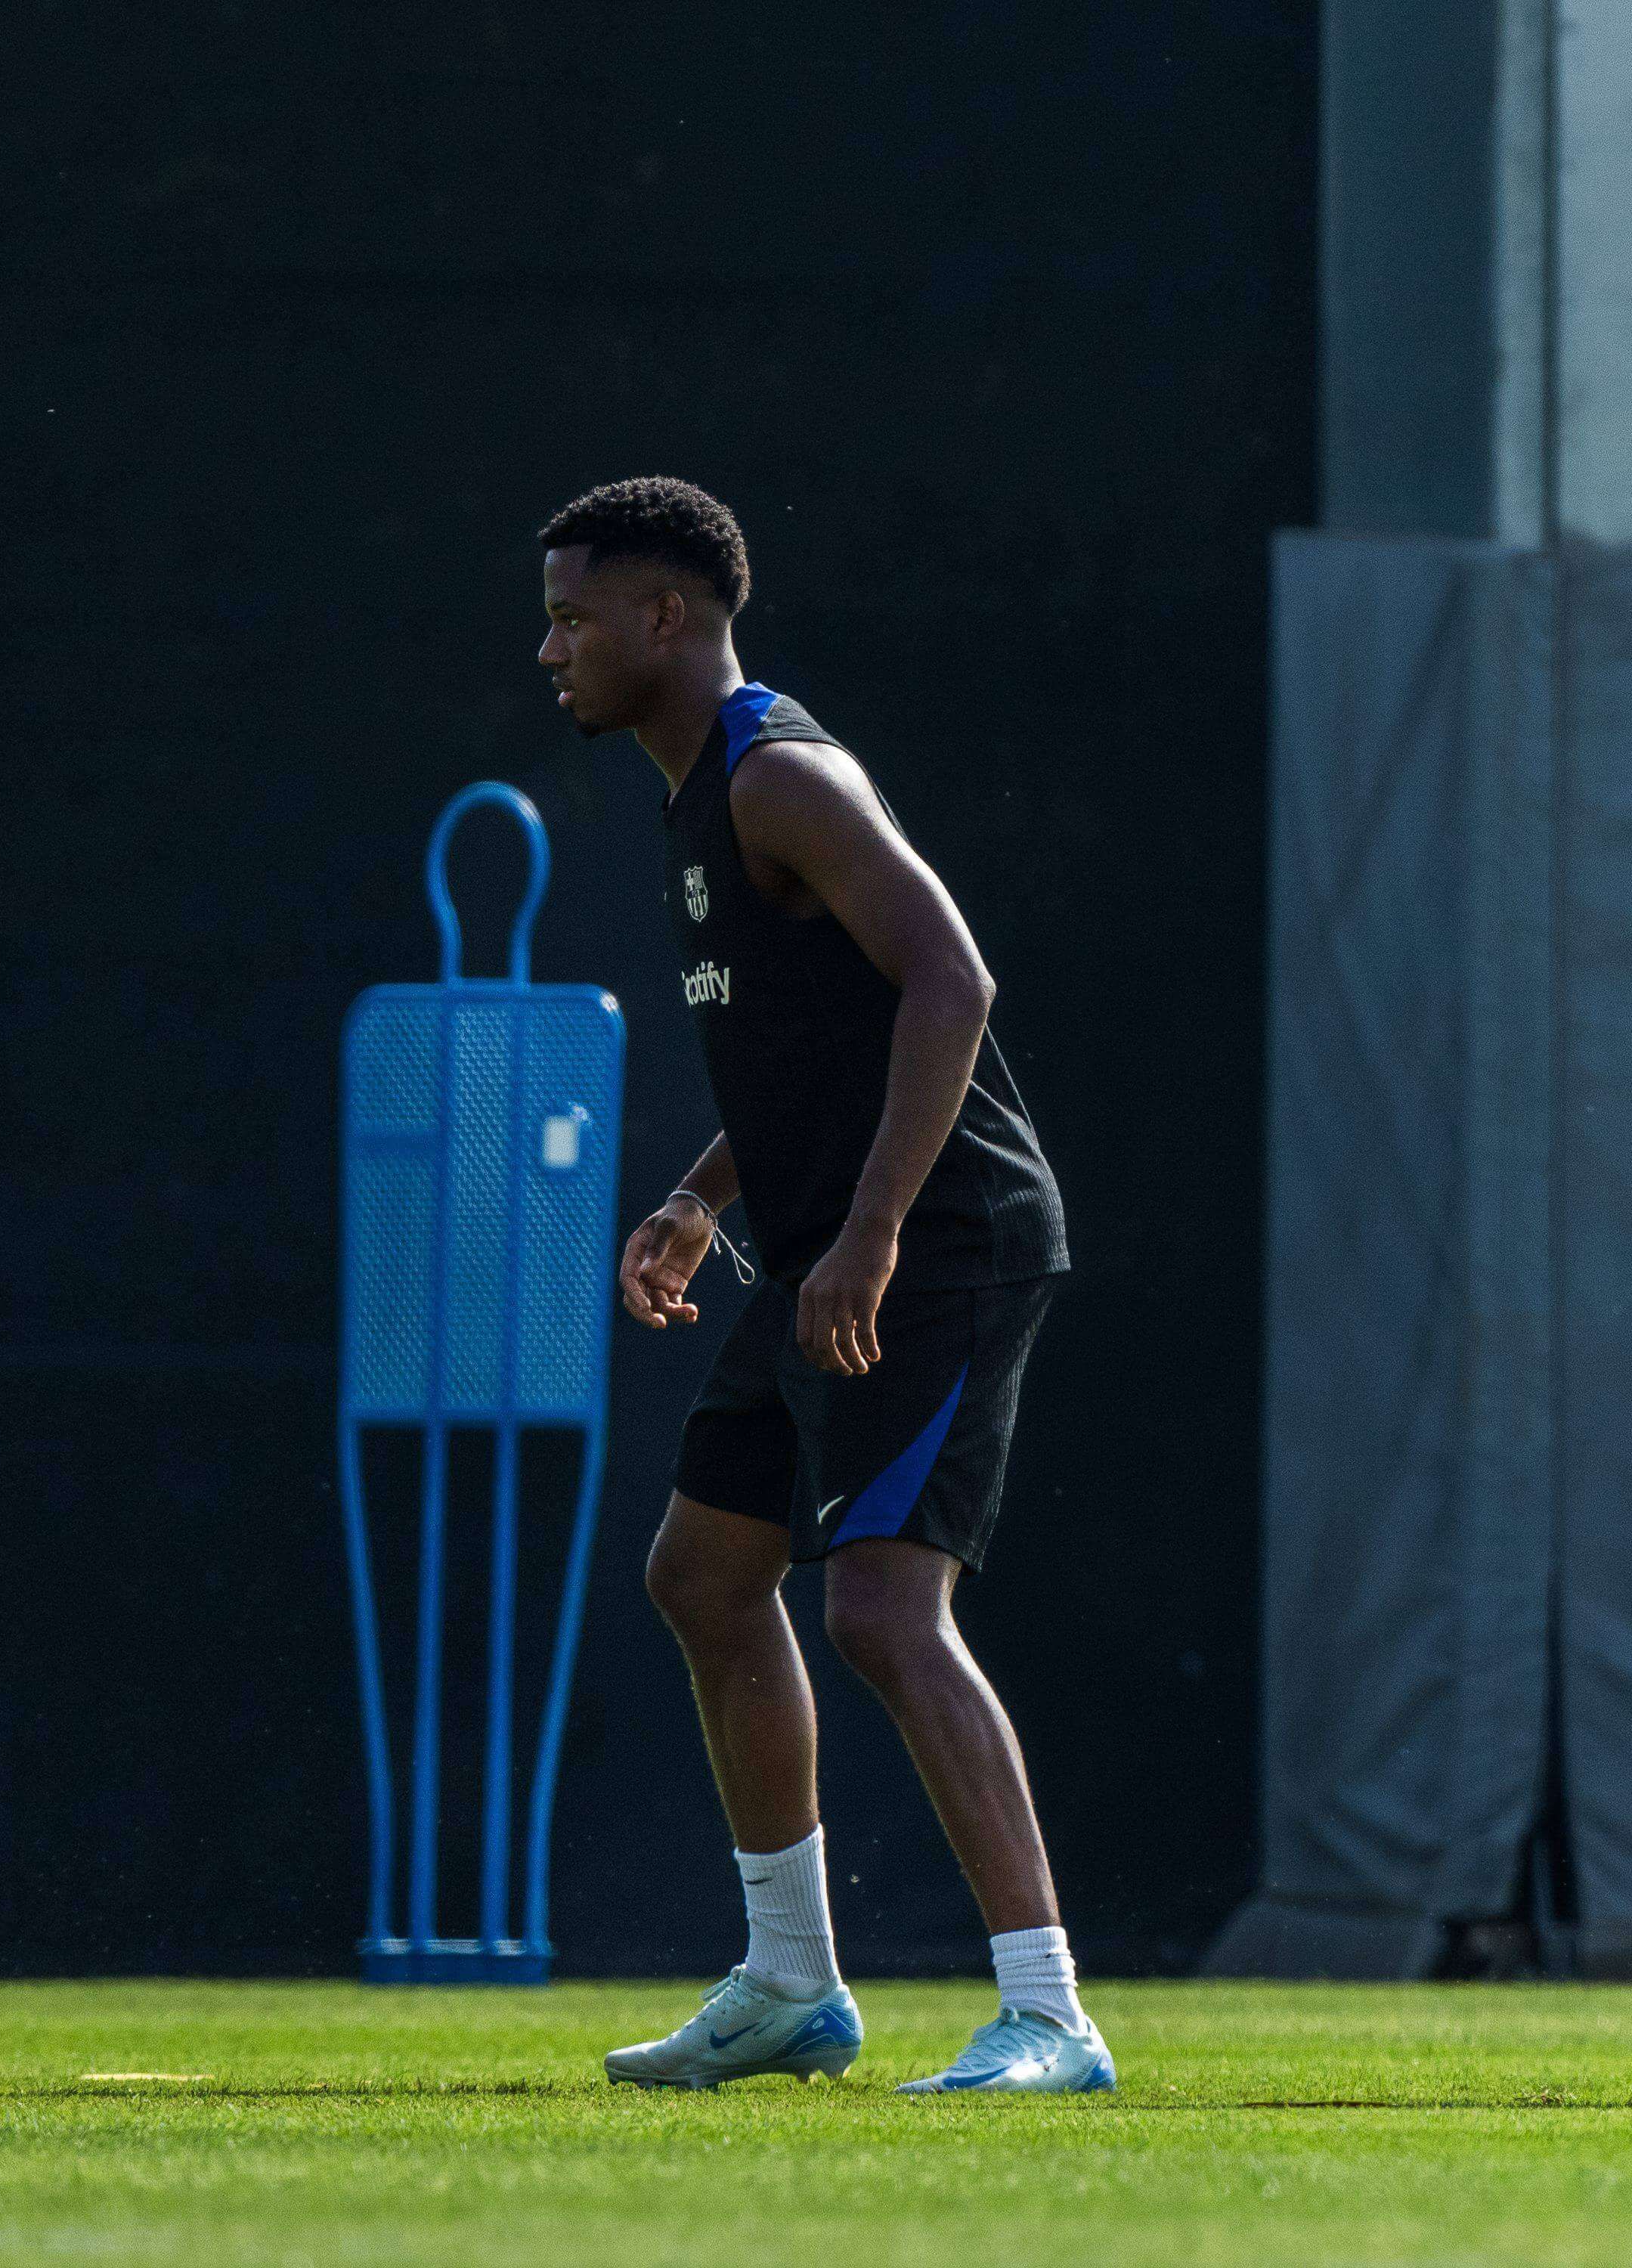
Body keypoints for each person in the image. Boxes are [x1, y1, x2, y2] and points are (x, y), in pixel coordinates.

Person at [534, 476, 1107, 2096]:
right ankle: (792, 1985)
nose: (551, 650)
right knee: (705, 1577)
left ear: (666, 617)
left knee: (880, 1608)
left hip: (941, 1243)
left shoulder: (780, 774)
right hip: (825, 1247)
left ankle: (1052, 2015)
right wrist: (699, 1197)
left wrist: (868, 1234)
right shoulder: (694, 798)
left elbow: (952, 979)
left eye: (574, 619)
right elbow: (819, 1045)